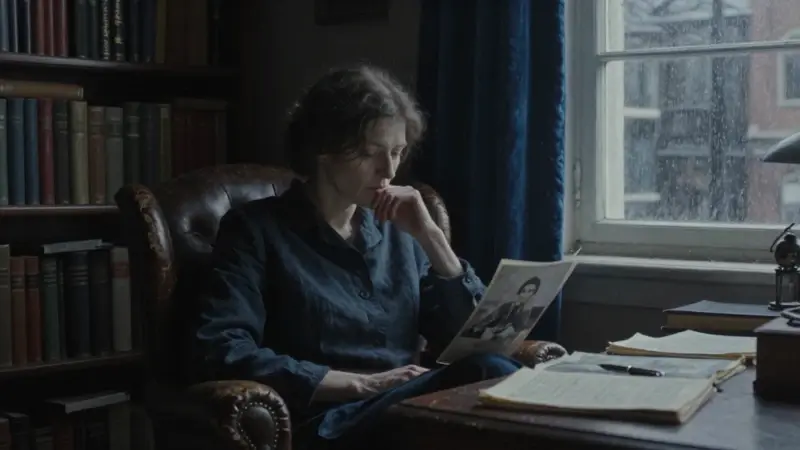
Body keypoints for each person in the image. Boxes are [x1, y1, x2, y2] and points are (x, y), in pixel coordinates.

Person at [188, 64, 523, 449]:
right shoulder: (255, 230)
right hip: (330, 421)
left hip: (410, 408)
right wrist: (356, 383)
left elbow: (471, 341)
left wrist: (432, 237)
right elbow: (221, 349)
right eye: (370, 153)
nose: (389, 170)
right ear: (322, 149)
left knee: (497, 373)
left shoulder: (402, 229)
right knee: (491, 373)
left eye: (397, 152)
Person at [461, 276, 543, 339]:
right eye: (523, 291)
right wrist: (478, 327)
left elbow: (520, 327)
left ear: (533, 294)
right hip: (492, 332)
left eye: (530, 291)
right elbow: (493, 316)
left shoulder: (529, 310)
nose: (525, 294)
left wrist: (526, 309)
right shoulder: (508, 305)